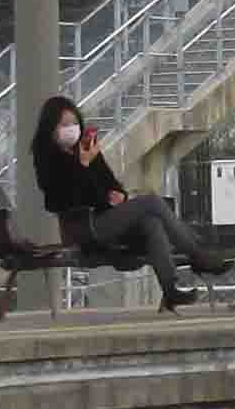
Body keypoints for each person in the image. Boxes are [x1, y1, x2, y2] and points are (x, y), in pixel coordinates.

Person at [27, 92, 211, 309]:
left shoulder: (87, 151)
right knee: (151, 202)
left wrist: (119, 195)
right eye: (65, 124)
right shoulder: (47, 159)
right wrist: (82, 166)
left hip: (106, 219)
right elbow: (61, 201)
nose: (72, 128)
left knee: (150, 223)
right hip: (82, 228)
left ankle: (171, 290)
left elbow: (110, 185)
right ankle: (197, 255)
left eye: (75, 122)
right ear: (51, 128)